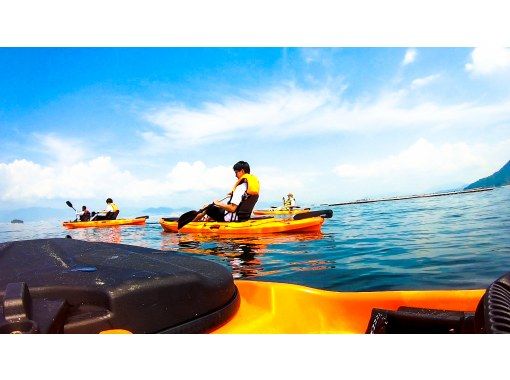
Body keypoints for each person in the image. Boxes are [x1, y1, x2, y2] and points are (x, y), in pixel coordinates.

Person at [193, 161, 260, 222]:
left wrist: (218, 203)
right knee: (215, 208)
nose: (235, 175)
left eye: (236, 172)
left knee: (207, 207)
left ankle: (192, 223)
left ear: (242, 171)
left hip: (230, 217)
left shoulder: (240, 188)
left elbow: (232, 208)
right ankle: (207, 222)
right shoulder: (249, 188)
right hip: (243, 217)